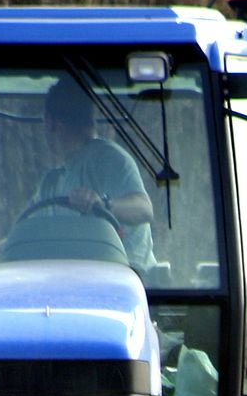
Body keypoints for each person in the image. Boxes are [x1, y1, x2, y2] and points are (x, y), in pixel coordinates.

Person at [32, 75, 156, 271]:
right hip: (71, 283)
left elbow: (144, 209)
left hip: (127, 283)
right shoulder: (52, 182)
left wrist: (103, 204)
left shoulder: (109, 160)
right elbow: (27, 230)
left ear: (50, 122)